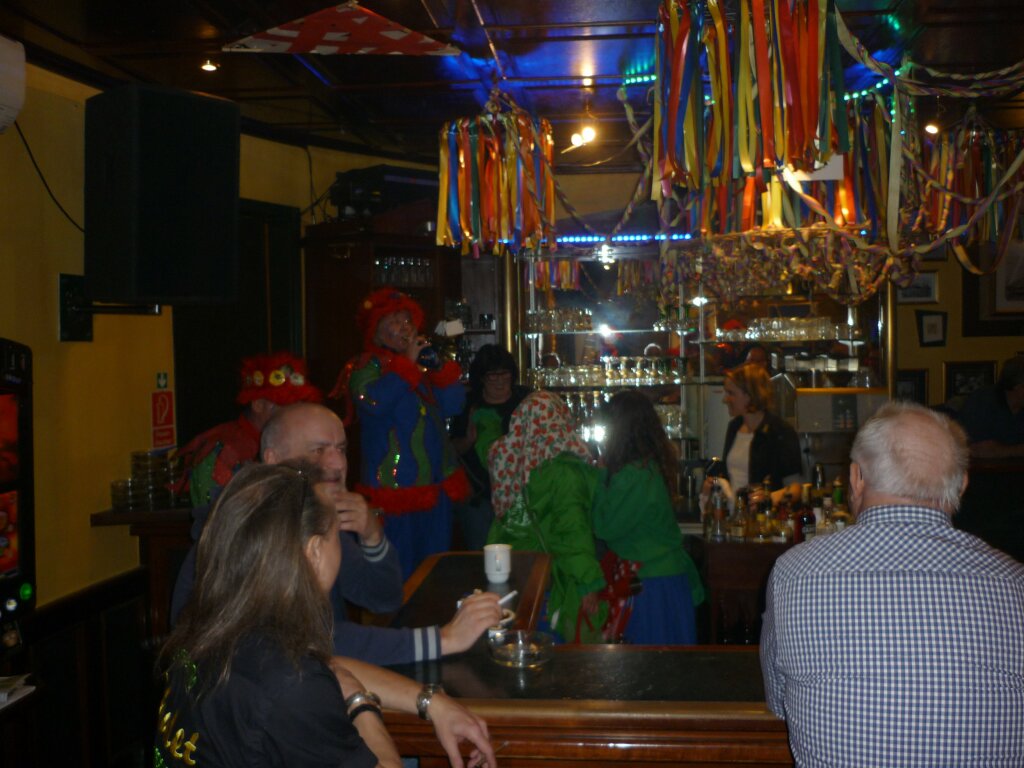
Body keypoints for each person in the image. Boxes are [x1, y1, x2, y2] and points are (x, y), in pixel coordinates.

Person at [158, 462, 496, 768]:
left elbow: (331, 665)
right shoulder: (292, 684)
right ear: (314, 552)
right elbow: (311, 680)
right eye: (336, 533)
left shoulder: (211, 625)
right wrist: (361, 705)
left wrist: (431, 701)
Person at [760, 402, 1024, 767]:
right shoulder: (1015, 584)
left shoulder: (793, 572)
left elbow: (779, 703)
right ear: (962, 485)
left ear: (856, 478)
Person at [171, 403, 502, 666]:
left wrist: (372, 537)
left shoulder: (313, 515)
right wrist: (443, 639)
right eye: (318, 451)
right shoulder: (253, 530)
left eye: (341, 449)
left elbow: (383, 598)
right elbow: (313, 639)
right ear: (272, 459)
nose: (337, 463)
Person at [332, 288, 469, 577]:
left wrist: (439, 369)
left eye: (407, 320)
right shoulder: (365, 365)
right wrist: (407, 366)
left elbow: (454, 405)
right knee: (398, 572)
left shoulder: (421, 365)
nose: (404, 327)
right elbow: (374, 402)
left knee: (435, 571)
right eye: (393, 321)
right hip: (394, 492)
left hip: (436, 487)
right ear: (376, 331)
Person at [487, 391, 606, 643]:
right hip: (551, 579)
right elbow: (572, 532)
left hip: (512, 575)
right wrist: (588, 583)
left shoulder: (508, 462)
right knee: (551, 650)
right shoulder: (564, 472)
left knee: (518, 644)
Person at [592, 390, 704, 644]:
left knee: (647, 662)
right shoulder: (649, 466)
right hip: (668, 578)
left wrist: (599, 477)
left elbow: (605, 527)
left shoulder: (633, 475)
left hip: (651, 583)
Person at [174, 352, 322, 507]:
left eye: (297, 407)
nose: (294, 417)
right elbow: (217, 513)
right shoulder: (222, 450)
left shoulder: (295, 443)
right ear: (258, 404)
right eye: (285, 407)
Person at [449, 344, 529, 550]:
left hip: (522, 494)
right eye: (493, 375)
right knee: (482, 554)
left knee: (522, 553)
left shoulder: (526, 400)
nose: (500, 380)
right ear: (482, 378)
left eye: (505, 373)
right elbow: (452, 449)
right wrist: (469, 440)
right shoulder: (468, 404)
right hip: (480, 496)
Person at [712, 362, 802, 505]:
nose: (725, 399)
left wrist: (768, 499)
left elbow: (796, 488)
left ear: (749, 395)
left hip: (766, 516)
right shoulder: (734, 427)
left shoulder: (780, 431)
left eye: (731, 393)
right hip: (736, 514)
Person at [956, 354, 1024, 458]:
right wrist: (1014, 450)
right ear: (1019, 388)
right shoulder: (982, 402)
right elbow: (978, 450)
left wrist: (1004, 450)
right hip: (980, 467)